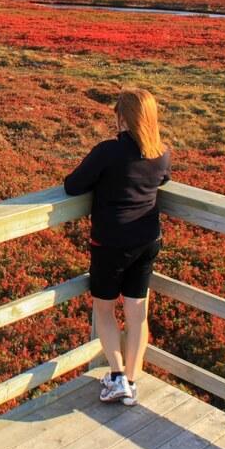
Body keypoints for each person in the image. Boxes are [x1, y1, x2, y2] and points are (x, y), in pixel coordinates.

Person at [63, 88, 171, 406]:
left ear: (123, 117)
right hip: (148, 240)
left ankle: (117, 377)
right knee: (137, 313)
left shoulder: (108, 151)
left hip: (110, 243)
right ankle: (133, 383)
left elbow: (73, 185)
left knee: (105, 309)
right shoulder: (161, 152)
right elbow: (163, 178)